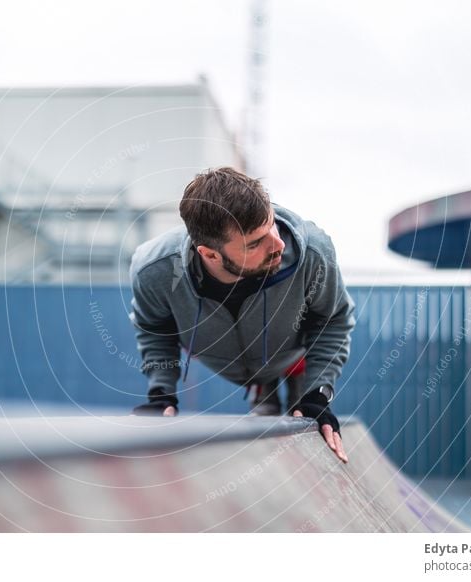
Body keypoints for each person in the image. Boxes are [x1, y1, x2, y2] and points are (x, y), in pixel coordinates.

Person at [129, 167, 354, 463]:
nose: (278, 244)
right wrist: (161, 394)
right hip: (225, 353)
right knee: (265, 410)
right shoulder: (155, 270)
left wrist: (318, 394)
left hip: (290, 350)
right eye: (255, 243)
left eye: (271, 226)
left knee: (305, 412)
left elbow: (332, 320)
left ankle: (289, 387)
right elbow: (154, 328)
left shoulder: (312, 253)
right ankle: (263, 388)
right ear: (210, 254)